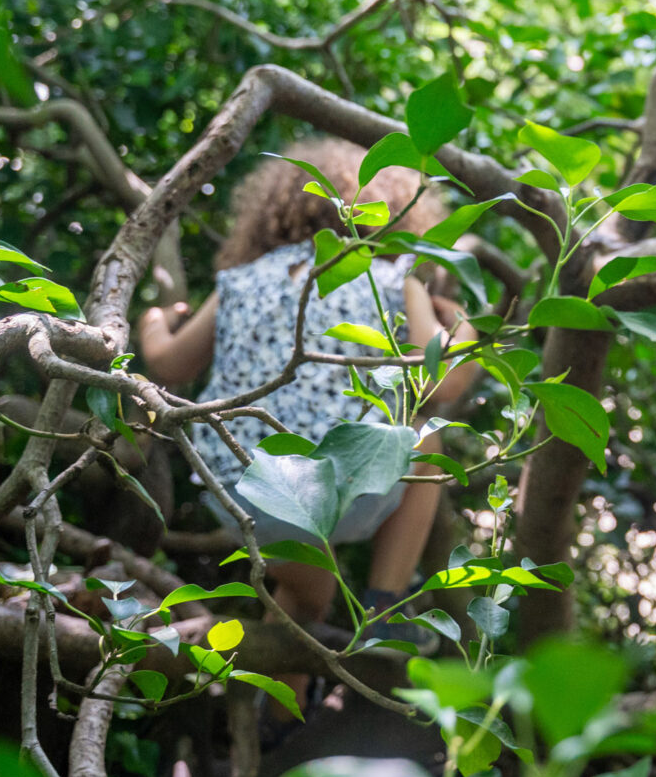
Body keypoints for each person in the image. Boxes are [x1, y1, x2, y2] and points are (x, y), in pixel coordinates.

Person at [136, 138, 477, 720]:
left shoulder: (240, 281)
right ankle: (384, 609)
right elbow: (445, 384)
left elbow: (169, 364)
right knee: (424, 433)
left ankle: (276, 723)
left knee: (308, 596)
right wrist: (462, 323)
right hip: (343, 481)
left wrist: (152, 320)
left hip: (244, 487)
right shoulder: (394, 277)